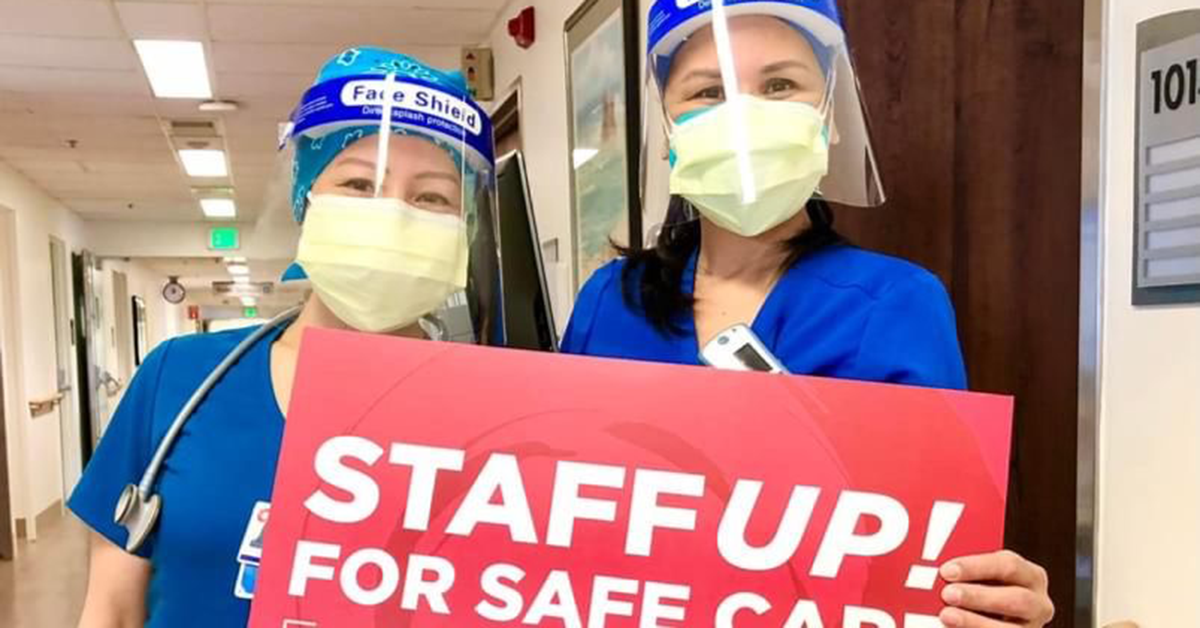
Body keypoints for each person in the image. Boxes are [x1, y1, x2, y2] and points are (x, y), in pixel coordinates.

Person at [562, 1, 1055, 626]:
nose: (742, 118)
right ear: (669, 129)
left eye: (779, 86)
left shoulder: (898, 304)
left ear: (831, 116)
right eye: (708, 91)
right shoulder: (611, 299)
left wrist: (987, 605)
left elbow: (924, 554)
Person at [68, 48, 499, 627]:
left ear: (462, 228)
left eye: (431, 197)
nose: (392, 216)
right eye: (358, 183)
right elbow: (111, 611)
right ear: (307, 202)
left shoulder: (501, 413)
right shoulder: (181, 379)